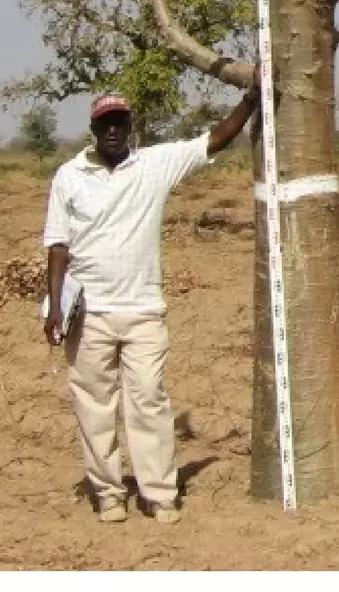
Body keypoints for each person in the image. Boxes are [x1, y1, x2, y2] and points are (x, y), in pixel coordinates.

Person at [43, 86, 259, 524]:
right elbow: (57, 246)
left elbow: (215, 139)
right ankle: (108, 492)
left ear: (130, 127)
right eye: (105, 123)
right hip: (89, 311)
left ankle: (159, 493)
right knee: (94, 404)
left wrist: (252, 97)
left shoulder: (154, 165)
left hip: (143, 309)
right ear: (93, 129)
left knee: (148, 400)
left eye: (120, 121)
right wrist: (53, 308)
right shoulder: (68, 176)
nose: (113, 130)